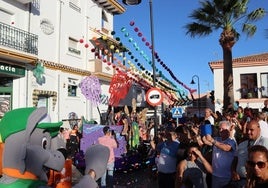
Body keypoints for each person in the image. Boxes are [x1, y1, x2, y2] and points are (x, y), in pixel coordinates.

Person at [231, 120, 268, 188]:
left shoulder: (265, 142)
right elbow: (235, 159)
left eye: (251, 130)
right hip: (238, 180)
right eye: (247, 129)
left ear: (259, 130)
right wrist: (233, 171)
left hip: (256, 182)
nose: (248, 132)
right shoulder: (242, 144)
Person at [205, 120, 237, 188]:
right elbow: (205, 141)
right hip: (215, 175)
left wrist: (212, 140)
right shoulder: (217, 139)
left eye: (223, 129)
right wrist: (205, 132)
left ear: (228, 130)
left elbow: (226, 148)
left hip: (226, 176)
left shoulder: (231, 141)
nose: (220, 130)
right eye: (219, 128)